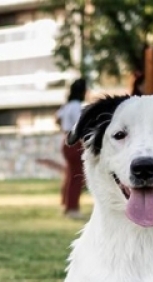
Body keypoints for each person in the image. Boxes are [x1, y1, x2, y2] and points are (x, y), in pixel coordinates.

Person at [57, 78, 87, 219]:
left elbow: (57, 119)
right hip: (75, 143)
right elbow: (80, 125)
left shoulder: (66, 106)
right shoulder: (76, 106)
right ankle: (72, 208)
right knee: (76, 177)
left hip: (65, 141)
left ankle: (66, 204)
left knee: (70, 175)